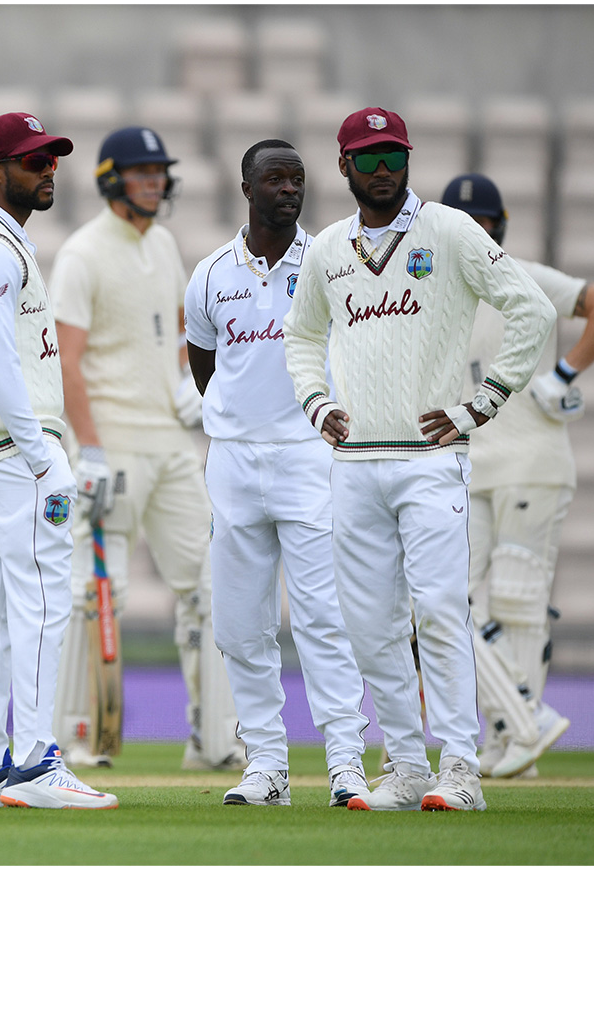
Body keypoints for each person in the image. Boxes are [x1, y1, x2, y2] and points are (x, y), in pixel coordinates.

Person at [283, 107, 555, 812]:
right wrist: (316, 404)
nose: (382, 171)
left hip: (433, 459)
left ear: (408, 158)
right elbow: (301, 337)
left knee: (438, 608)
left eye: (393, 156)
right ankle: (405, 765)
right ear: (342, 167)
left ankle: (460, 769)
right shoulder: (329, 250)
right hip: (355, 463)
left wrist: (482, 402)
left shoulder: (451, 231)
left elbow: (533, 310)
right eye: (367, 159)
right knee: (371, 622)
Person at [50, 125, 244, 771]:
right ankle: (76, 733)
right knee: (98, 592)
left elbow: (182, 332)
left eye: (161, 173)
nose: (156, 183)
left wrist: (188, 388)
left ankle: (215, 738)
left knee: (212, 585)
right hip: (114, 444)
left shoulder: (163, 243)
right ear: (112, 179)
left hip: (171, 441)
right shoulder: (82, 254)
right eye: (143, 173)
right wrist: (92, 451)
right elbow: (67, 365)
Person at [184, 140, 370, 806]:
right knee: (239, 622)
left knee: (323, 615)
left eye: (297, 180)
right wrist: (241, 422)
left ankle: (346, 762)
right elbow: (205, 368)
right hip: (233, 462)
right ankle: (265, 765)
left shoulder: (328, 263)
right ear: (246, 188)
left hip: (308, 458)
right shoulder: (209, 274)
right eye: (275, 179)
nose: (288, 190)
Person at [0, 112, 117, 810]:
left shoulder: (3, 244)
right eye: (32, 162)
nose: (48, 171)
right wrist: (41, 451)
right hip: (11, 447)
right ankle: (38, 764)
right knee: (44, 597)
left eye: (50, 160)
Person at [443, 172, 594, 778]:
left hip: (534, 465)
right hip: (467, 470)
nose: (477, 232)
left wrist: (564, 375)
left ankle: (513, 748)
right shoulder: (435, 296)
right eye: (464, 223)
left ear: (500, 227)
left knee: (519, 604)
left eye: (486, 222)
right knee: (446, 600)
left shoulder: (528, 277)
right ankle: (524, 721)